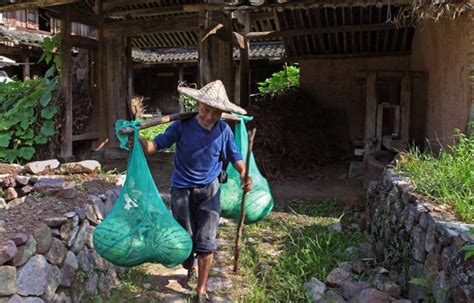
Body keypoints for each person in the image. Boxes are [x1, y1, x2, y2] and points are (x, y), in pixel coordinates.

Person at [136, 80, 252, 302]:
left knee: (206, 240)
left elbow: (237, 159)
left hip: (210, 190)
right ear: (199, 104)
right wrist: (137, 136)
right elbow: (153, 148)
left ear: (222, 113)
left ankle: (201, 289)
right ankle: (189, 265)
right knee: (186, 238)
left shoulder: (223, 130)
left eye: (216, 113)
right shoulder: (181, 126)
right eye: (207, 110)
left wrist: (245, 175)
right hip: (181, 190)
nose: (210, 117)